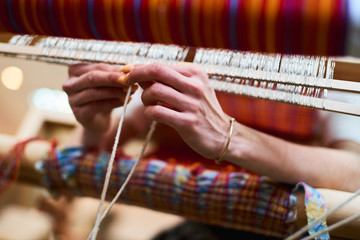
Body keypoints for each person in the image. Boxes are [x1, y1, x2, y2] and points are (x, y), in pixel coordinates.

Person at [62, 62, 360, 192]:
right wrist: (93, 123)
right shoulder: (190, 56)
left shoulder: (332, 65)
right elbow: (96, 146)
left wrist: (228, 137)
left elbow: (354, 172)